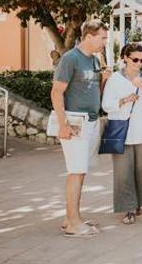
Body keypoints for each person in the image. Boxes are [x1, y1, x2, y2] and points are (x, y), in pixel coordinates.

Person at [50, 19, 109, 238]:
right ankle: (73, 223)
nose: (104, 42)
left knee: (81, 170)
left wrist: (103, 80)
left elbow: (94, 92)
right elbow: (56, 93)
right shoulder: (70, 59)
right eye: (102, 37)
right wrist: (63, 124)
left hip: (91, 121)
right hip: (75, 122)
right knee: (75, 171)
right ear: (89, 36)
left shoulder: (94, 60)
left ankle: (71, 218)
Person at [102, 44, 142, 225]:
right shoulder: (115, 79)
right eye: (135, 59)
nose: (139, 63)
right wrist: (125, 100)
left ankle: (139, 203)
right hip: (121, 131)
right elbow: (105, 105)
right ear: (125, 57)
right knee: (123, 173)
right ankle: (129, 208)